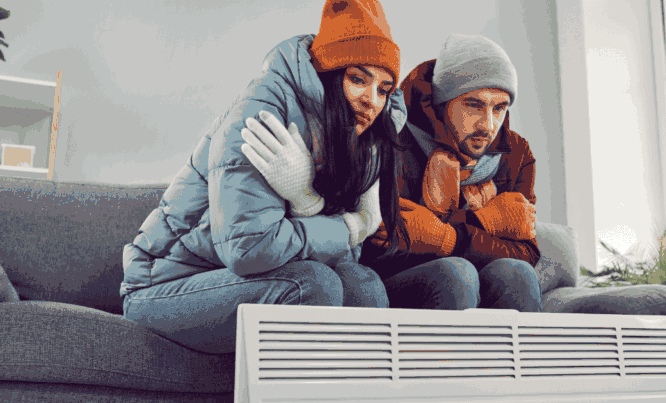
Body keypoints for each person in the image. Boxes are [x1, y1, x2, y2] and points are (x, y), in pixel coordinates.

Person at [120, 0, 475, 355]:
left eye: (383, 89)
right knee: (313, 286)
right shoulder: (261, 115)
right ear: (330, 75)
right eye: (357, 79)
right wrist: (350, 225)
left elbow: (344, 258)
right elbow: (249, 250)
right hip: (164, 287)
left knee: (360, 281)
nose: (372, 101)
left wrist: (308, 201)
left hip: (244, 280)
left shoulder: (359, 134)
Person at [361, 34, 542, 312]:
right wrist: (485, 221)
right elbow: (380, 244)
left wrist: (449, 237)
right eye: (474, 105)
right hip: (402, 279)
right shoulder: (393, 135)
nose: (488, 124)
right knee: (455, 274)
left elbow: (527, 253)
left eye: (499, 108)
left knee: (517, 274)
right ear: (442, 102)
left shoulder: (516, 154)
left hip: (475, 269)